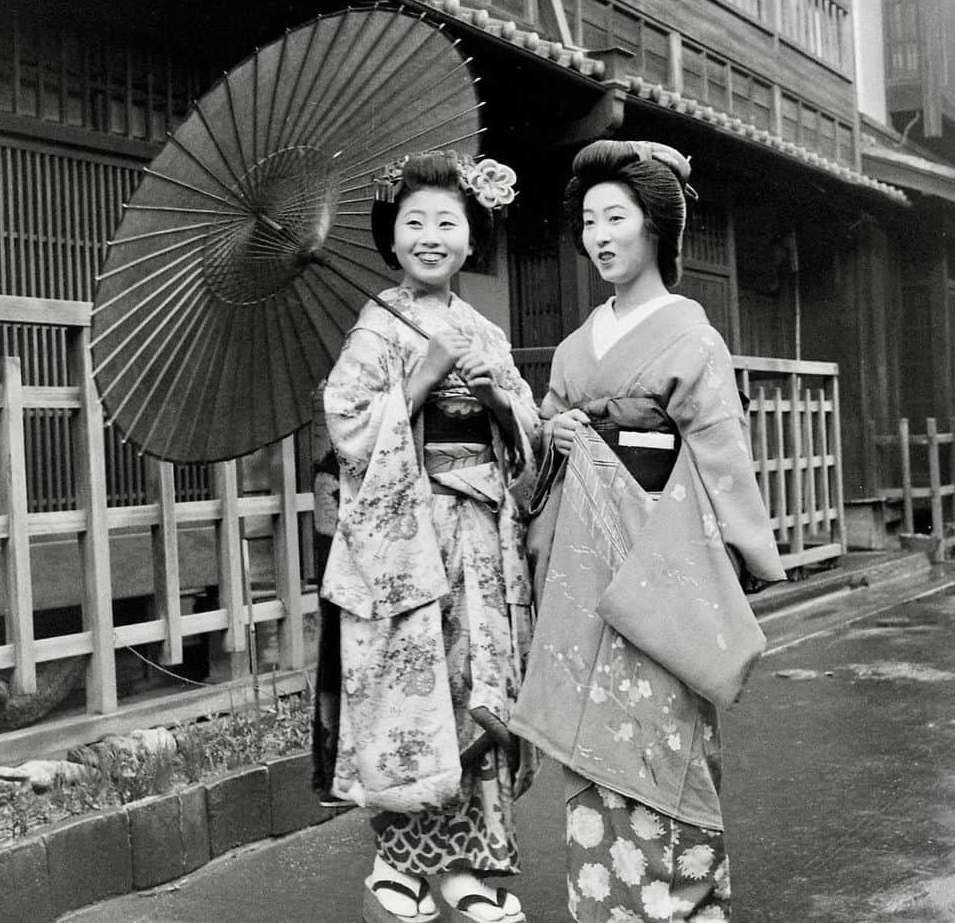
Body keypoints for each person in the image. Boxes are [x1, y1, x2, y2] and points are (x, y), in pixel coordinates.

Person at [510, 139, 787, 922]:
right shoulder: (572, 348)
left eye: (617, 217)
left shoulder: (691, 339)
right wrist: (552, 438)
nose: (600, 236)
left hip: (666, 569)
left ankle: (685, 904)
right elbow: (537, 459)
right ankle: (607, 904)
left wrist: (731, 561)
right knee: (595, 742)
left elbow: (722, 457)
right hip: (586, 571)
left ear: (655, 226)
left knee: (667, 733)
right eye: (589, 220)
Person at [319, 150, 539, 923]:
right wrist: (417, 379)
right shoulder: (377, 327)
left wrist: (500, 401)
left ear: (471, 238)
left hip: (480, 528)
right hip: (409, 538)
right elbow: (347, 426)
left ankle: (470, 865)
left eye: (447, 221)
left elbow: (530, 435)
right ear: (393, 238)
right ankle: (401, 856)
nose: (431, 235)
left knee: (481, 685)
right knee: (417, 690)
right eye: (414, 222)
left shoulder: (485, 329)